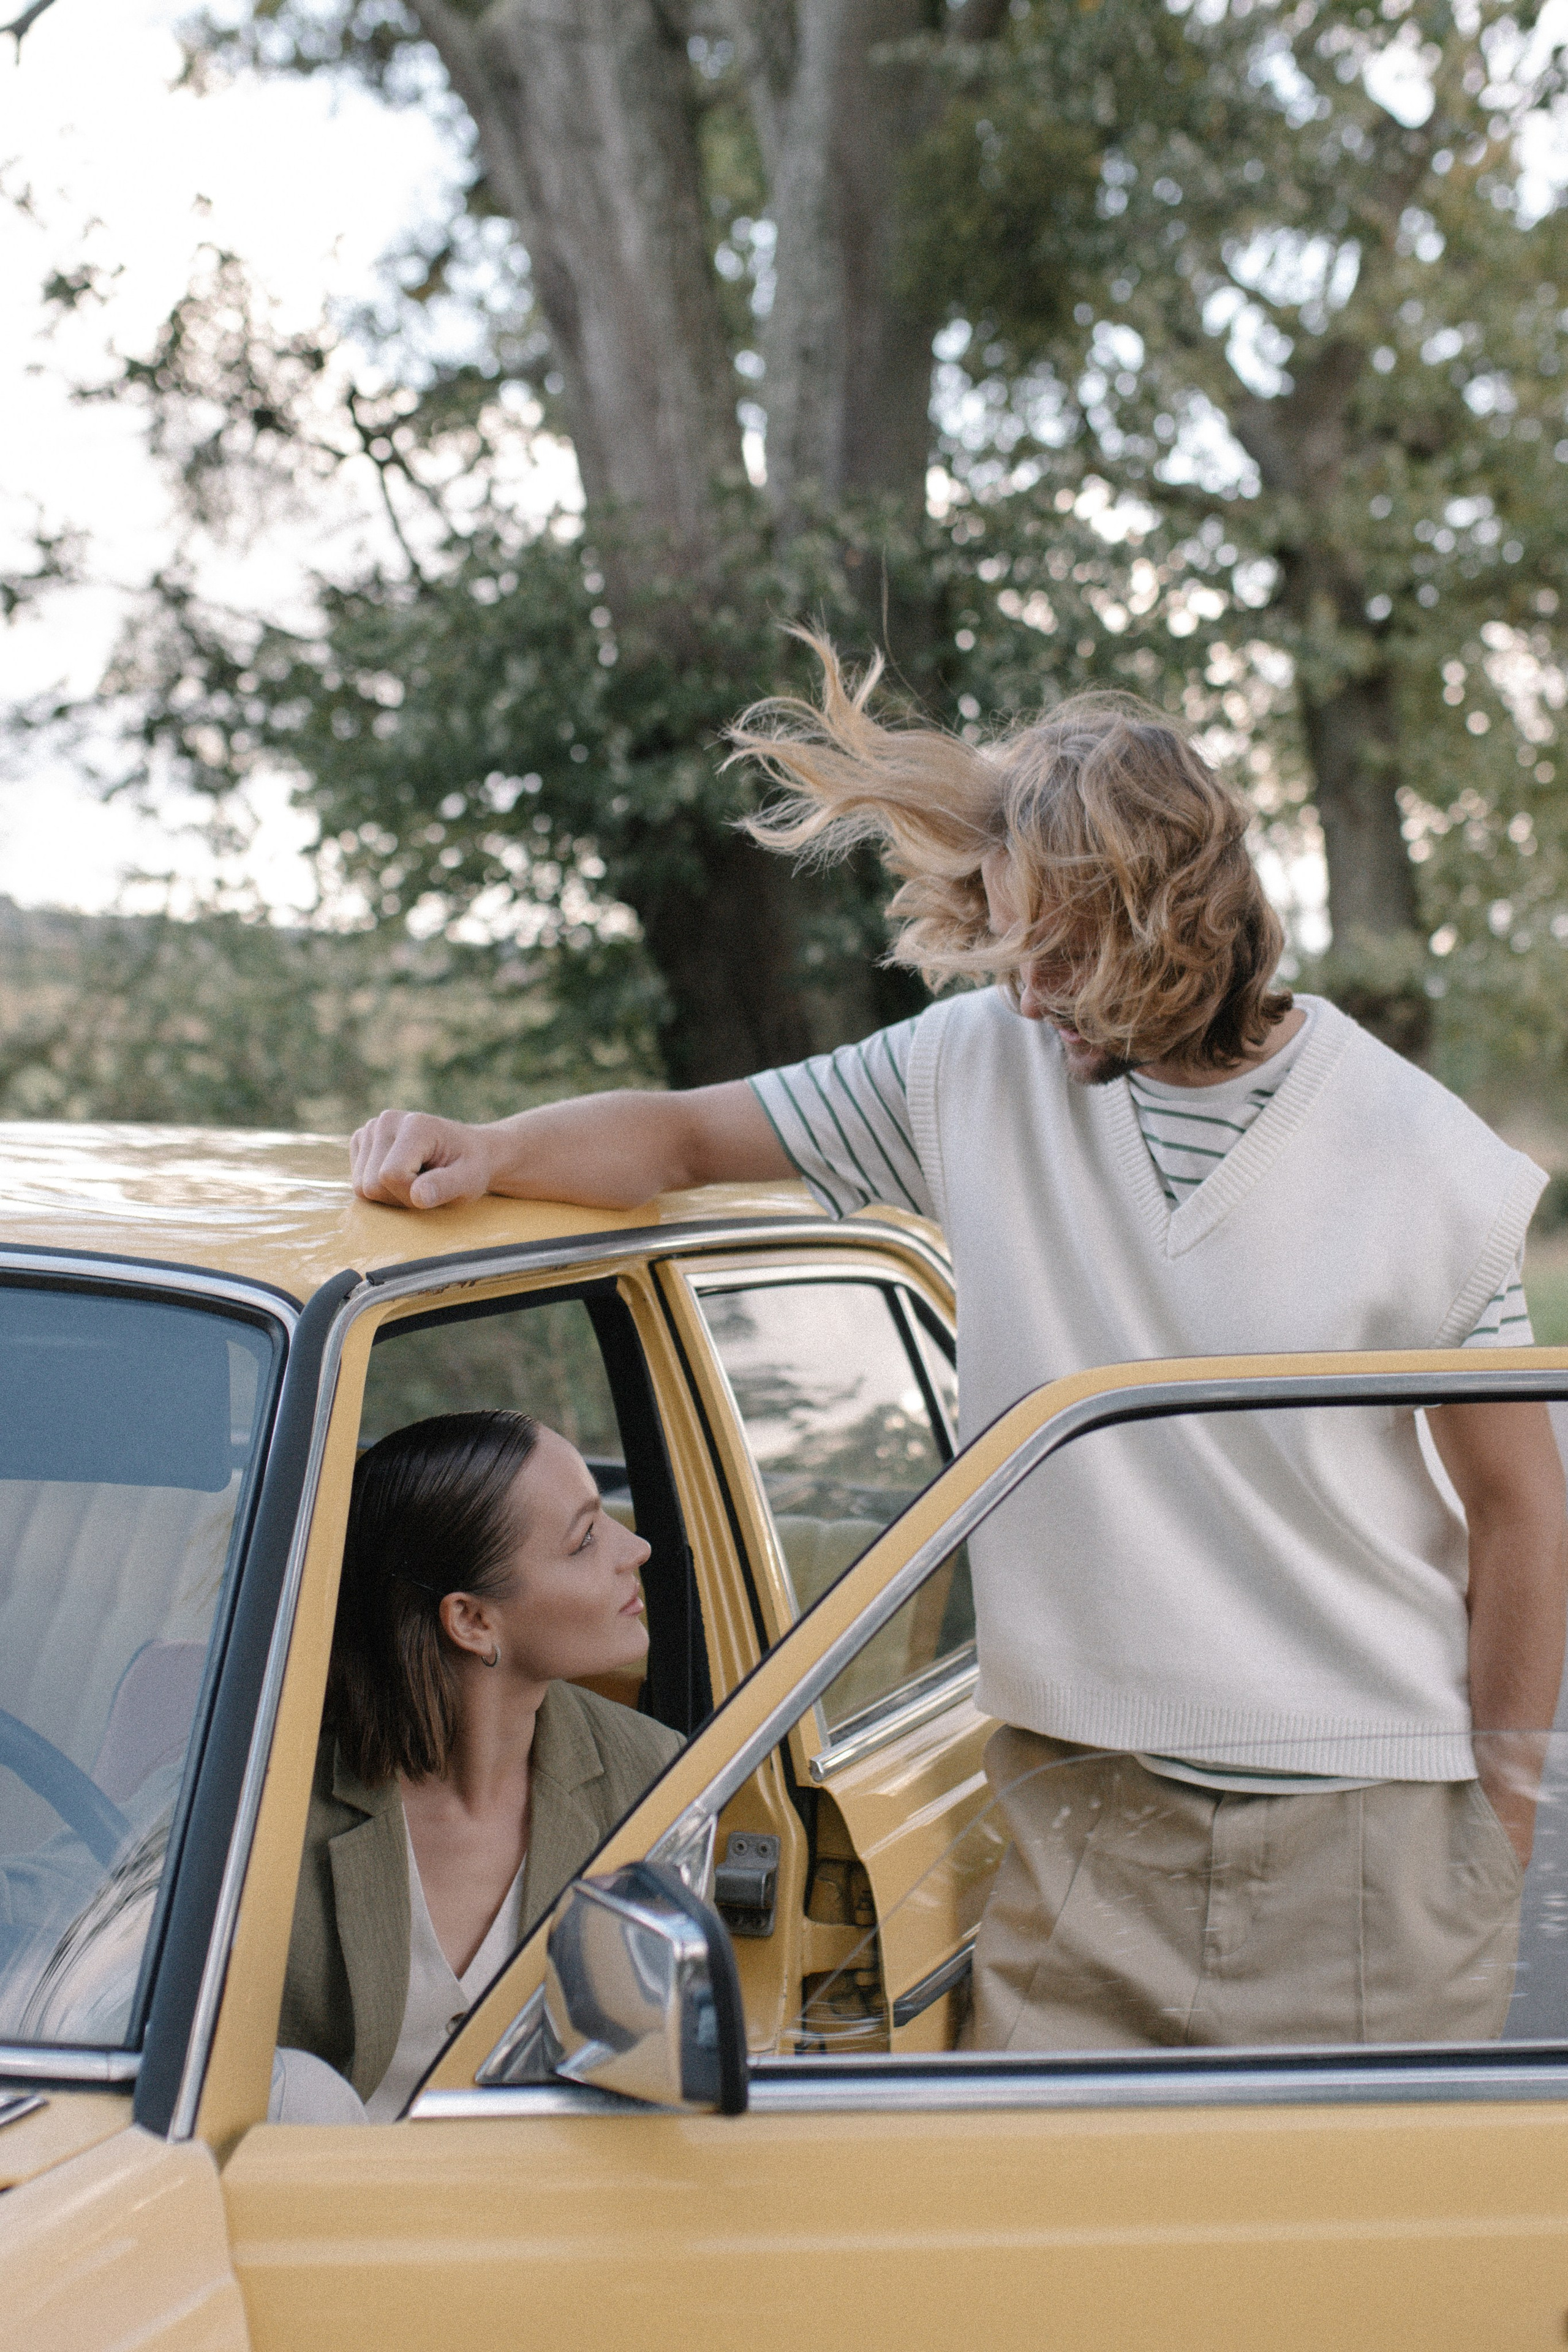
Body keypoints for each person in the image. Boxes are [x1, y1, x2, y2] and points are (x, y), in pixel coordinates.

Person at [348, 643, 1567, 2052]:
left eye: (1058, 949)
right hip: (1079, 1816)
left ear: (1173, 920)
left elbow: (1520, 1504)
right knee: (1038, 2266)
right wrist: (487, 1146)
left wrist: (1499, 1811)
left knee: (1338, 2271)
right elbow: (682, 1134)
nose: (1029, 989)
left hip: (1368, 1834)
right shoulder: (966, 1064)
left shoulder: (1419, 1154)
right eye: (1003, 940)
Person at [277, 1408, 680, 2116]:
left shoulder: (654, 1778)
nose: (637, 1547)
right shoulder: (267, 1795)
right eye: (586, 1540)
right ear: (471, 1621)